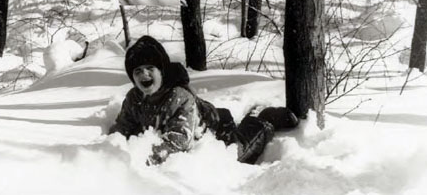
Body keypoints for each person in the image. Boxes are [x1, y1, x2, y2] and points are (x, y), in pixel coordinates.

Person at [108, 35, 298, 165]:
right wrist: (114, 149)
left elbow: (180, 140)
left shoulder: (178, 97)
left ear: (162, 71)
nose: (144, 75)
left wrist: (144, 159)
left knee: (240, 154)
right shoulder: (134, 98)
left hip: (214, 132)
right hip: (197, 121)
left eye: (150, 68)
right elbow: (122, 127)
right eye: (137, 71)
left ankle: (264, 118)